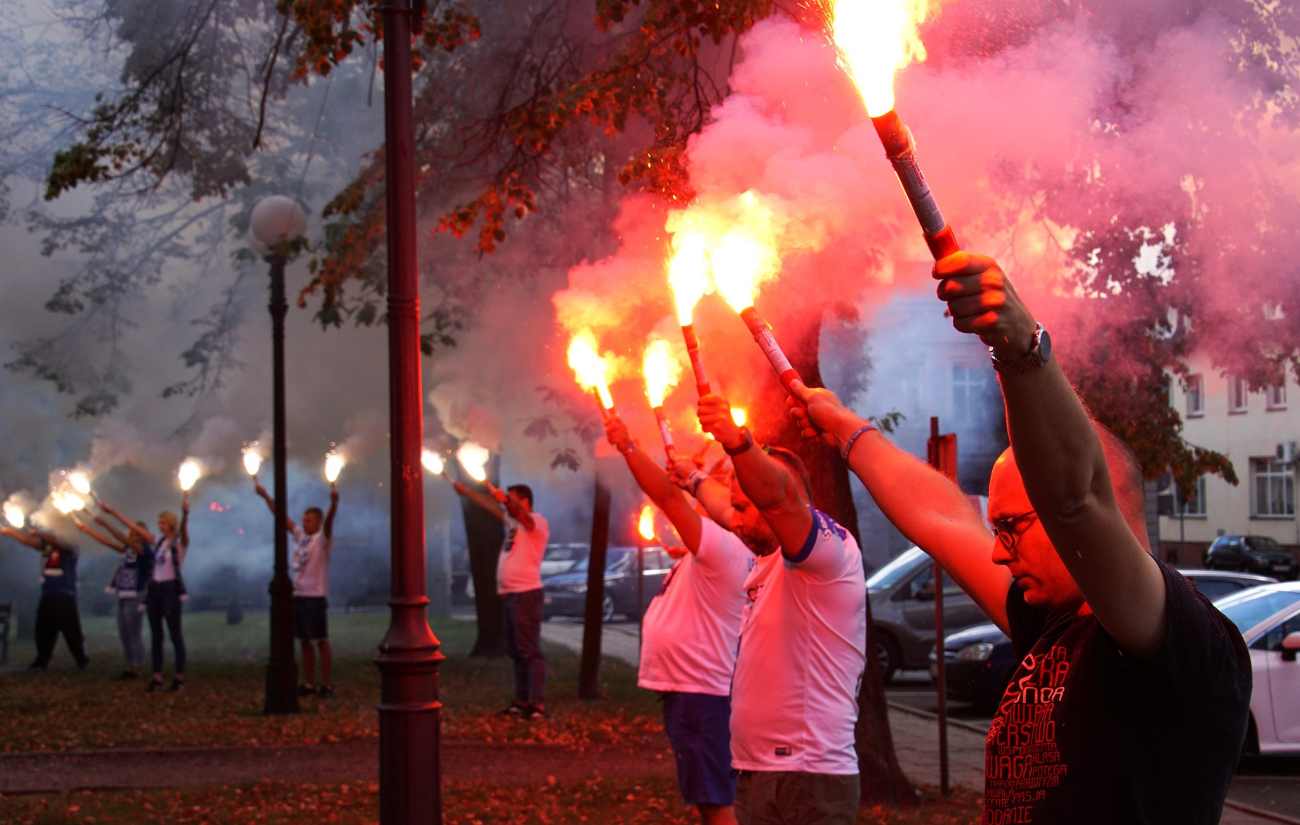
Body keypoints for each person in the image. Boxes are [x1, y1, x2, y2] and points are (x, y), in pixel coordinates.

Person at [789, 251, 1251, 824]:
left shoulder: (1177, 638)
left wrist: (1020, 349)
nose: (995, 547)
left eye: (1012, 527)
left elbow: (1074, 499)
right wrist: (841, 425)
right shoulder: (1052, 622)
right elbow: (943, 518)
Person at [692, 393, 866, 825]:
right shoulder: (766, 560)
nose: (733, 519)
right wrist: (692, 479)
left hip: (808, 776)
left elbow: (778, 501)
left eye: (742, 506)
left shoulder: (830, 553)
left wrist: (736, 442)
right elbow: (729, 506)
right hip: (758, 772)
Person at [605, 415, 752, 825]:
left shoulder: (725, 546)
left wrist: (629, 447)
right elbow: (676, 501)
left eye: (720, 484)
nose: (710, 488)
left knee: (716, 801)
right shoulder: (719, 548)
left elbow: (669, 499)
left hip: (700, 690)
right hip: (696, 689)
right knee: (713, 796)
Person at [452, 476, 550, 719]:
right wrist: (467, 492)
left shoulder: (535, 522)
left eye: (513, 499)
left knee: (529, 651)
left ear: (524, 501)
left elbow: (522, 515)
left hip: (525, 595)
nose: (507, 505)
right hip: (510, 596)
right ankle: (522, 701)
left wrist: (506, 500)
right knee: (517, 651)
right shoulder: (513, 525)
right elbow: (492, 506)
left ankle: (537, 705)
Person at [255, 480, 339, 698]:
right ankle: (309, 683)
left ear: (318, 522)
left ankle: (326, 684)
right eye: (304, 520)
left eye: (309, 521)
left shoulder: (322, 539)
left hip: (315, 596)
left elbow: (330, 522)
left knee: (321, 639)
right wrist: (266, 497)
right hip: (299, 595)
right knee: (304, 641)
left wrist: (333, 504)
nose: (305, 523)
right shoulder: (302, 537)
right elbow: (283, 519)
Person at [102, 495, 191, 692]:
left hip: (170, 589)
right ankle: (157, 678)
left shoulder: (179, 543)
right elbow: (134, 528)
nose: (160, 526)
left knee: (175, 634)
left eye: (163, 523)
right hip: (155, 590)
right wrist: (113, 513)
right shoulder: (157, 542)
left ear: (171, 524)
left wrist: (185, 513)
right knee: (156, 635)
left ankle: (179, 677)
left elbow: (184, 531)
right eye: (159, 522)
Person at [1, 521, 89, 671]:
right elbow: (31, 542)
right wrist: (12, 533)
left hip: (64, 595)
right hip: (48, 593)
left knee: (71, 630)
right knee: (43, 629)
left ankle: (81, 658)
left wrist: (39, 533)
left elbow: (57, 542)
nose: (53, 533)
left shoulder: (70, 547)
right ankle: (42, 660)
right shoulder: (49, 546)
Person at [72, 511, 151, 679]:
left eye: (138, 533)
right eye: (133, 533)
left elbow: (120, 538)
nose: (135, 536)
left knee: (134, 633)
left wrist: (107, 524)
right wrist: (88, 530)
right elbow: (108, 542)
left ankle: (137, 667)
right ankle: (129, 666)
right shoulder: (129, 550)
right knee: (124, 634)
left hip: (135, 595)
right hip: (122, 594)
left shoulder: (143, 550)